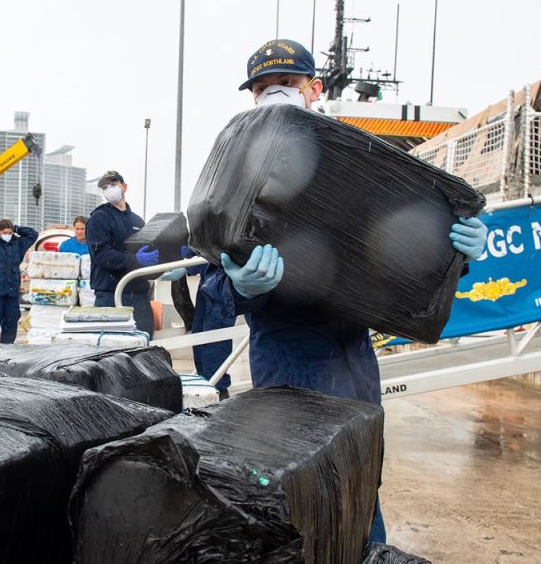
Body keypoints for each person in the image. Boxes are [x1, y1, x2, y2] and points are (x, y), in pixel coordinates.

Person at [202, 38, 490, 543]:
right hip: (290, 360)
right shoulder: (240, 164)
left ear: (312, 89)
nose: (275, 96)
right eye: (264, 89)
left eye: (287, 85)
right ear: (252, 99)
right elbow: (214, 266)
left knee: (359, 484)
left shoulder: (358, 161)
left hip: (356, 357)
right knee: (302, 493)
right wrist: (239, 283)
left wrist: (457, 253)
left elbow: (399, 246)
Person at [86, 170, 160, 338]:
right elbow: (102, 254)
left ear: (124, 186)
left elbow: (150, 251)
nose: (109, 189)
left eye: (113, 184)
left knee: (143, 343)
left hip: (138, 295)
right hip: (110, 295)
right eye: (105, 187)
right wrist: (135, 260)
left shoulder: (137, 221)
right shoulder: (99, 219)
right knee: (111, 348)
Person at [161, 249, 236, 397]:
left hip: (223, 282)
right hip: (208, 281)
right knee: (199, 338)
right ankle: (206, 389)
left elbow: (222, 250)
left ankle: (218, 394)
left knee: (214, 343)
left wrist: (188, 266)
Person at [0, 217, 38, 343]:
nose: (8, 235)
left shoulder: (18, 244)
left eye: (10, 233)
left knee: (11, 324)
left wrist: (17, 229)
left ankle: (7, 352)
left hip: (12, 291)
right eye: (5, 233)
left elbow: (33, 234)